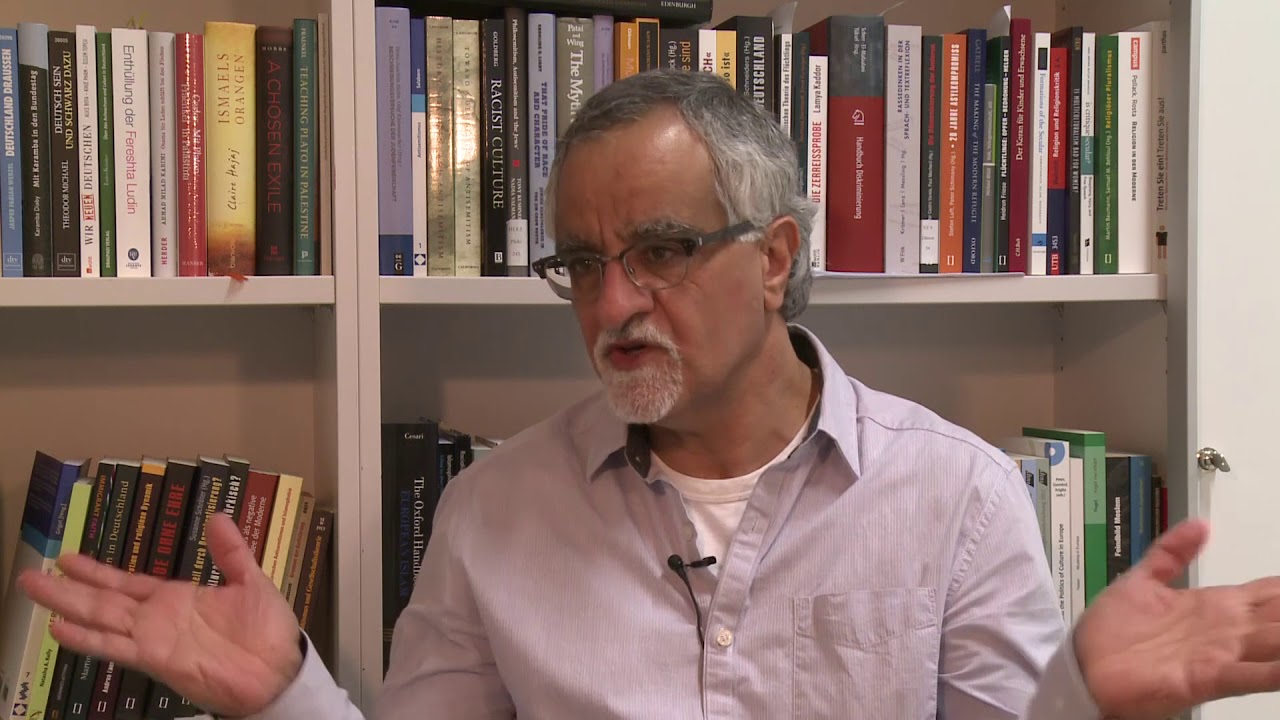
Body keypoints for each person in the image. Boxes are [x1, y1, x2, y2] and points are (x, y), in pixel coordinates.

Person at [19, 68, 1280, 720]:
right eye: (580, 262)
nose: (611, 302)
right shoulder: (491, 511)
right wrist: (288, 689)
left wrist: (1082, 704)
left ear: (775, 257)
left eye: (661, 252)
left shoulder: (952, 497)